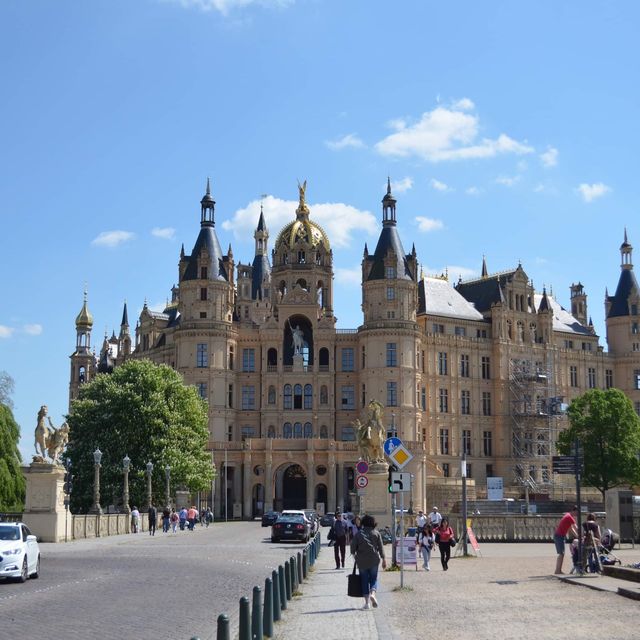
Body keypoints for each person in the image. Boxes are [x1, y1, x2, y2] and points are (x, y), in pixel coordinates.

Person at [350, 514, 387, 610]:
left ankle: (367, 603)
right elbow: (381, 548)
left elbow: (352, 548)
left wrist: (355, 557)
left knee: (364, 580)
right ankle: (373, 594)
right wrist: (384, 559)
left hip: (362, 561)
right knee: (373, 579)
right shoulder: (376, 533)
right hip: (374, 560)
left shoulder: (359, 534)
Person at [554, 505, 579, 574]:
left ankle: (558, 570)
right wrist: (580, 535)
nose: (577, 514)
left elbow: (570, 528)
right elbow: (576, 527)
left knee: (561, 554)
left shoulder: (567, 515)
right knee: (561, 554)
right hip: (559, 536)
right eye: (577, 512)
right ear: (574, 511)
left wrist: (577, 536)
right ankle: (557, 570)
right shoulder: (570, 517)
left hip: (559, 536)